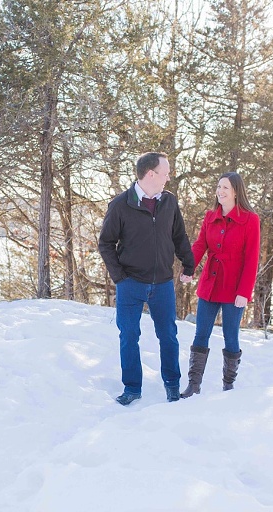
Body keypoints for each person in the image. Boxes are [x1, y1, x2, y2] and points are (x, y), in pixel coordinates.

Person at [98, 152, 195, 405]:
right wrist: (120, 278)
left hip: (162, 283)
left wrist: (189, 263)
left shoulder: (169, 202)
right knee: (129, 336)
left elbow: (179, 236)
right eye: (166, 172)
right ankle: (132, 388)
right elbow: (106, 243)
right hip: (131, 283)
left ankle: (172, 386)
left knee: (169, 336)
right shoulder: (121, 205)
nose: (169, 177)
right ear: (151, 174)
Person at [180, 171, 260, 397]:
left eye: (225, 187)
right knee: (200, 334)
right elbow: (199, 246)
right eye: (218, 187)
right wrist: (189, 268)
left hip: (235, 289)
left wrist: (244, 291)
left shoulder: (250, 219)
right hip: (210, 284)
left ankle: (228, 386)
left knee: (230, 335)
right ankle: (193, 385)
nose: (220, 191)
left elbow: (252, 258)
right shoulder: (210, 216)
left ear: (236, 191)